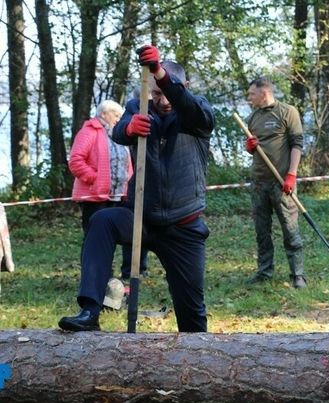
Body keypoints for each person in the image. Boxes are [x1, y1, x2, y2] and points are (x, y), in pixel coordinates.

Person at [58, 44, 215, 332]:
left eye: (167, 91)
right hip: (141, 217)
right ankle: (90, 310)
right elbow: (120, 130)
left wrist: (160, 73)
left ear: (184, 86)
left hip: (184, 225)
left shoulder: (197, 111)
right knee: (102, 220)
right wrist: (129, 129)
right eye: (156, 93)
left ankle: (196, 359)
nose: (163, 100)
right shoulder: (138, 105)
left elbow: (191, 110)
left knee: (192, 315)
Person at [69, 100, 147, 283]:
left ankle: (118, 274)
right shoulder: (89, 132)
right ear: (104, 114)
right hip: (94, 196)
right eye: (116, 115)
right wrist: (94, 178)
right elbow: (75, 160)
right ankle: (94, 277)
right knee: (94, 239)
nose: (119, 119)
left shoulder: (116, 133)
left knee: (116, 236)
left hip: (118, 194)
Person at [243, 76, 306, 289]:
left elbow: (297, 144)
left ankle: (297, 274)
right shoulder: (252, 118)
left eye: (252, 94)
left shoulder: (288, 112)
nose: (249, 98)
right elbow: (251, 148)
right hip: (259, 183)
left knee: (290, 229)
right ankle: (264, 272)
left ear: (264, 92)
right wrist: (250, 147)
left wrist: (292, 175)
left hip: (282, 183)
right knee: (262, 230)